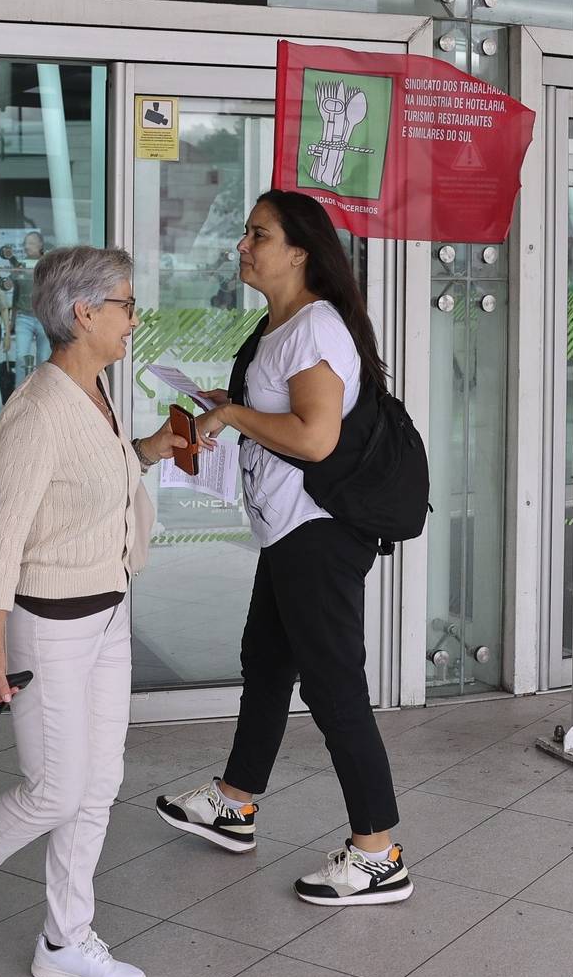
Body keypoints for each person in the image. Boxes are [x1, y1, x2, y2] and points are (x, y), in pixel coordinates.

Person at [0, 245, 188, 977]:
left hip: (107, 614)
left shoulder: (96, 390)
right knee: (55, 789)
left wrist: (153, 450)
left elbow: (92, 478)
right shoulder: (36, 409)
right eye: (127, 305)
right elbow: (3, 531)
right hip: (50, 624)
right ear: (84, 313)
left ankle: (65, 937)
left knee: (98, 786)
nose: (135, 318)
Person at [155, 190, 412, 907]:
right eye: (244, 233)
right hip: (289, 528)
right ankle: (235, 804)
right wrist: (227, 403)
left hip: (319, 532)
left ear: (299, 250)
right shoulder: (278, 326)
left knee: (334, 688)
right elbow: (286, 418)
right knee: (266, 665)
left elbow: (315, 439)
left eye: (257, 234)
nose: (242, 245)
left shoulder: (314, 328)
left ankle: (379, 852)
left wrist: (234, 413)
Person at [10, 232, 52, 384]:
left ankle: (41, 395)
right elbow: (15, 293)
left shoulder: (48, 265)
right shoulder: (20, 266)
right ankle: (19, 396)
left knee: (44, 358)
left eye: (32, 243)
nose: (28, 246)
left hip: (43, 318)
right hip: (23, 317)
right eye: (26, 243)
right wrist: (11, 321)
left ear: (41, 245)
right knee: (21, 356)